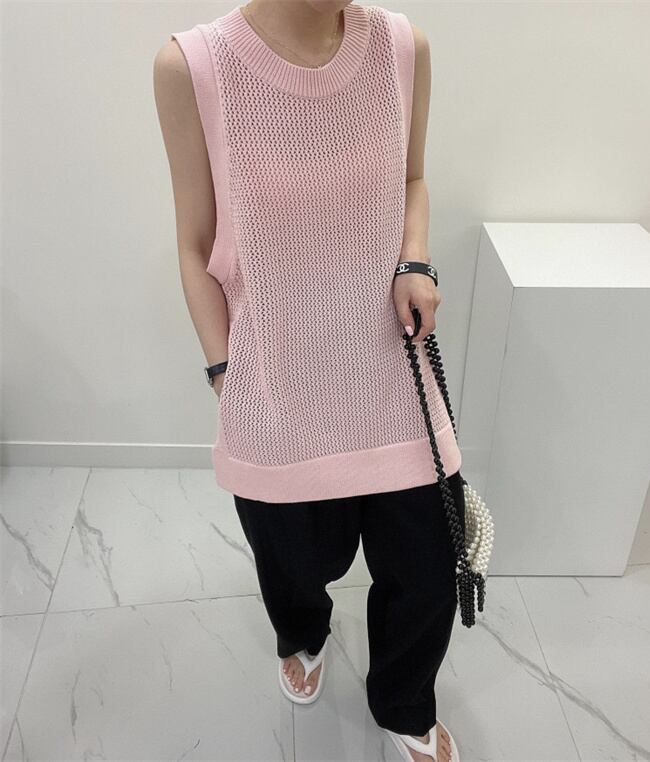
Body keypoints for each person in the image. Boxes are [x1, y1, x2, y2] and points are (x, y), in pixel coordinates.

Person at [153, 2, 463, 760]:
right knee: (296, 563)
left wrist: (414, 258)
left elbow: (413, 178)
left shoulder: (402, 46)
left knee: (427, 567)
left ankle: (403, 701)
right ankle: (302, 633)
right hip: (274, 383)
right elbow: (195, 244)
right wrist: (225, 372)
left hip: (392, 373)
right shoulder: (193, 65)